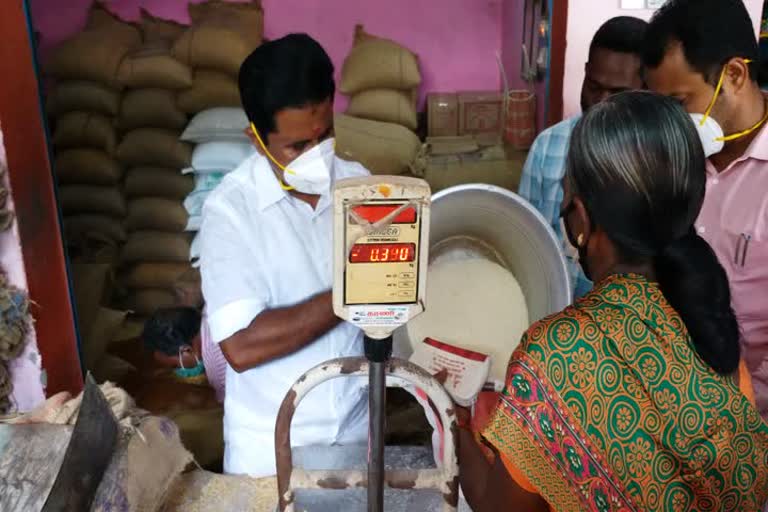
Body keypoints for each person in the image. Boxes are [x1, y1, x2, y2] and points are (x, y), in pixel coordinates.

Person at [457, 92, 768, 512]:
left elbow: (499, 509)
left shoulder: (558, 355)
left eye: (566, 206)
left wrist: (455, 427)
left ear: (581, 221)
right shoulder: (715, 334)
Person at [198, 34, 370, 477]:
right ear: (255, 139)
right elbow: (241, 345)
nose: (317, 157)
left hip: (356, 436)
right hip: (271, 454)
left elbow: (383, 308)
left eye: (326, 136)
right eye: (297, 147)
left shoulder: (360, 186)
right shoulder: (229, 213)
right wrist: (350, 293)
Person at [643, 0, 768, 420]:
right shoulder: (673, 162)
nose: (672, 123)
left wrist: (737, 410)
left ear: (733, 75)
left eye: (680, 103)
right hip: (669, 411)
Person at [518, 16, 647, 300]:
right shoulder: (547, 146)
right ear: (586, 72)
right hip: (554, 322)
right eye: (594, 86)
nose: (601, 102)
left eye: (617, 93)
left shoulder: (656, 162)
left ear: (645, 90)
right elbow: (524, 242)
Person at [142, 306, 226, 403]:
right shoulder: (210, 308)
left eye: (175, 366)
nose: (178, 371)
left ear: (186, 350)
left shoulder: (218, 370)